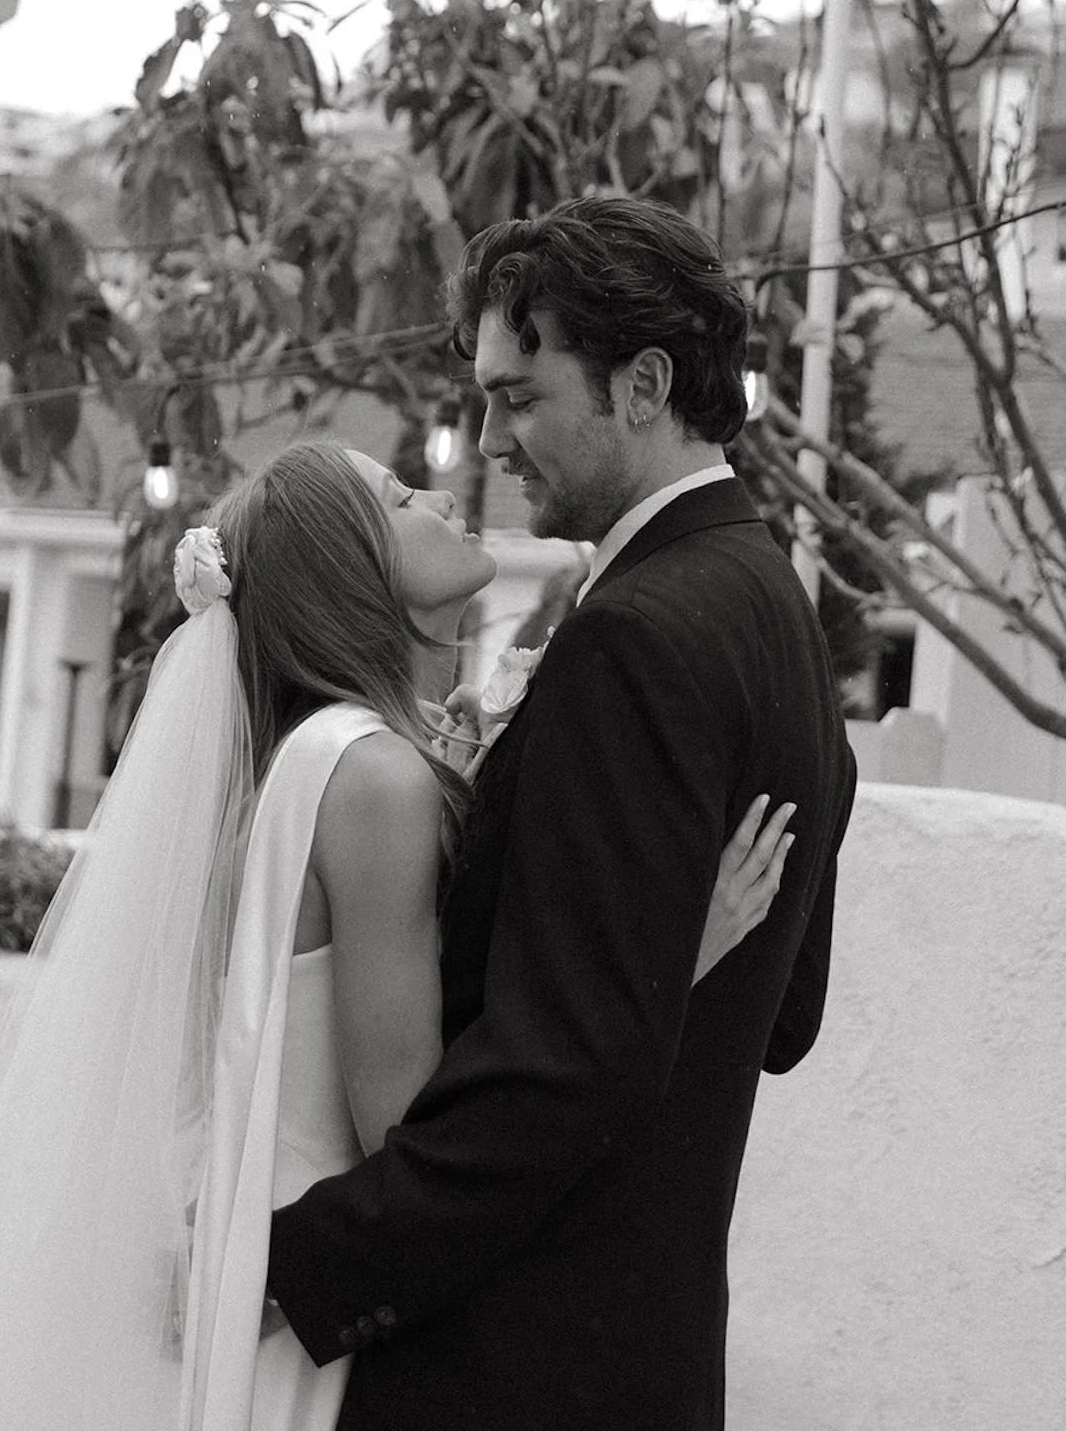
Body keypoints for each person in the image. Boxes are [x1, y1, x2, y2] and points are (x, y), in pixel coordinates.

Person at [0, 436, 786, 1431]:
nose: (435, 489)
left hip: (269, 1250)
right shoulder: (371, 780)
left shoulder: (311, 763)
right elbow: (412, 1125)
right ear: (353, 570)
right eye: (395, 498)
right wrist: (663, 966)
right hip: (313, 1299)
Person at [262, 199, 858, 1430]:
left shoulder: (632, 640)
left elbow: (557, 1075)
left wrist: (290, 1266)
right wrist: (656, 967)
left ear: (642, 385)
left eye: (520, 397)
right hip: (646, 1353)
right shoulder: (773, 613)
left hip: (514, 1365)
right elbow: (781, 1015)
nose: (488, 440)